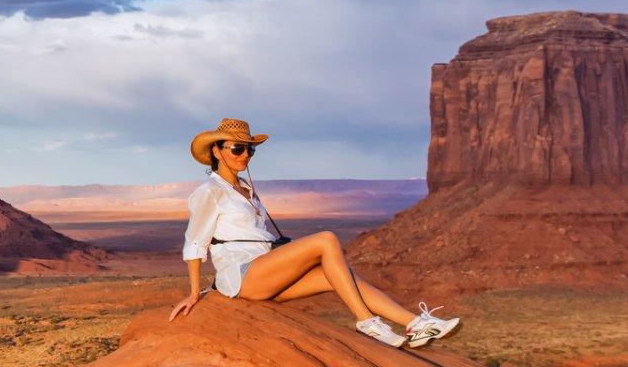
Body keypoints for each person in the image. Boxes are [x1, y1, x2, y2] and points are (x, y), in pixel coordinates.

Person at [168, 117, 459, 349]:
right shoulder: (209, 192)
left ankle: (415, 324)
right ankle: (366, 322)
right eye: (237, 149)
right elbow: (195, 243)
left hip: (265, 271)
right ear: (217, 151)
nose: (245, 155)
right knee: (326, 239)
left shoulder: (245, 188)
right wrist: (193, 293)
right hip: (241, 277)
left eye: (250, 150)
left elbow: (255, 236)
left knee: (336, 275)